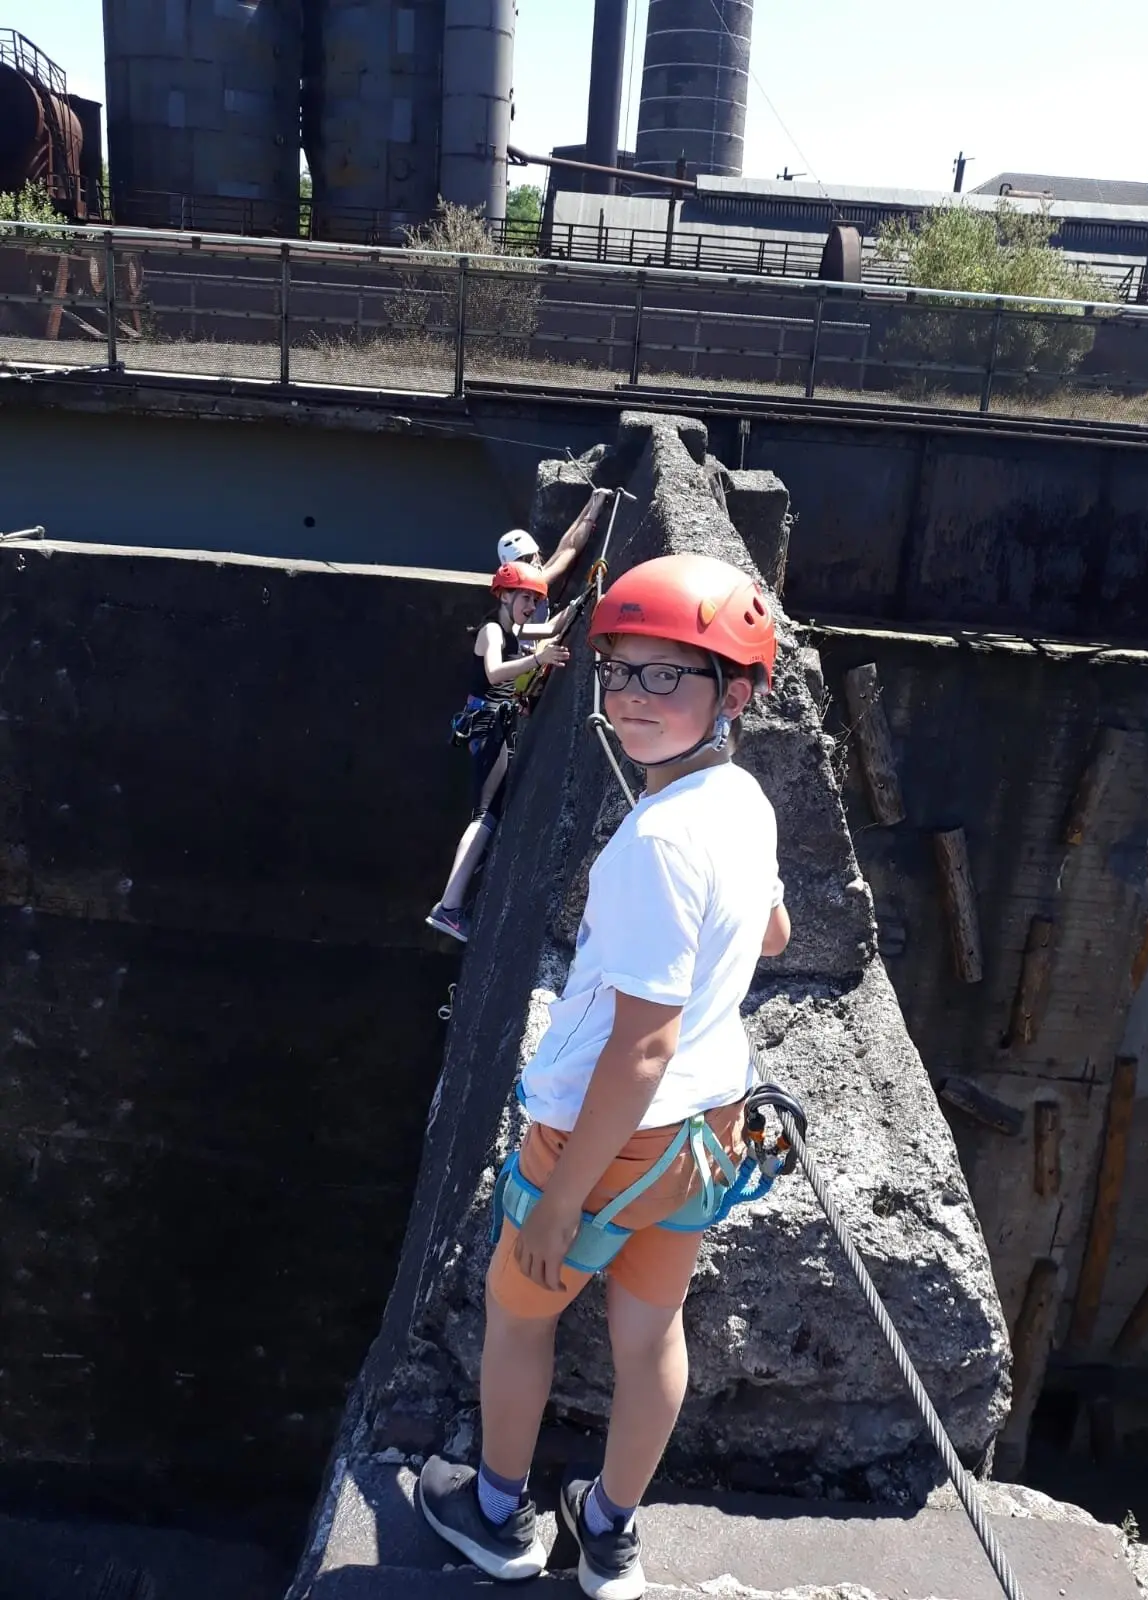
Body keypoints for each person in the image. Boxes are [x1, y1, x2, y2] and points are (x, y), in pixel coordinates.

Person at [419, 553, 791, 1600]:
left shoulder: (655, 844)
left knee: (520, 1311)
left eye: (666, 675)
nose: (630, 696)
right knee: (649, 1329)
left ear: (735, 693)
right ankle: (611, 1532)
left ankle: (497, 1517)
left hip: (611, 1136)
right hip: (704, 1133)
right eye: (619, 670)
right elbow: (772, 932)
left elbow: (639, 1047)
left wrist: (561, 1202)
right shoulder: (743, 799)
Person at [426, 562, 570, 943]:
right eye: (525, 598)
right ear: (504, 596)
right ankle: (449, 907)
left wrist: (583, 601)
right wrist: (538, 660)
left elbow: (552, 628)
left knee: (488, 812)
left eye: (535, 600)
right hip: (487, 725)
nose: (531, 607)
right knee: (485, 815)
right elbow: (493, 672)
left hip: (496, 723)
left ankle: (453, 900)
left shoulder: (515, 630)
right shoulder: (492, 630)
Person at [498, 488, 613, 633]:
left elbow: (563, 547)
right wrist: (595, 508)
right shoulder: (533, 582)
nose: (535, 561)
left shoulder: (515, 587)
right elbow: (570, 548)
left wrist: (592, 503)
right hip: (530, 643)